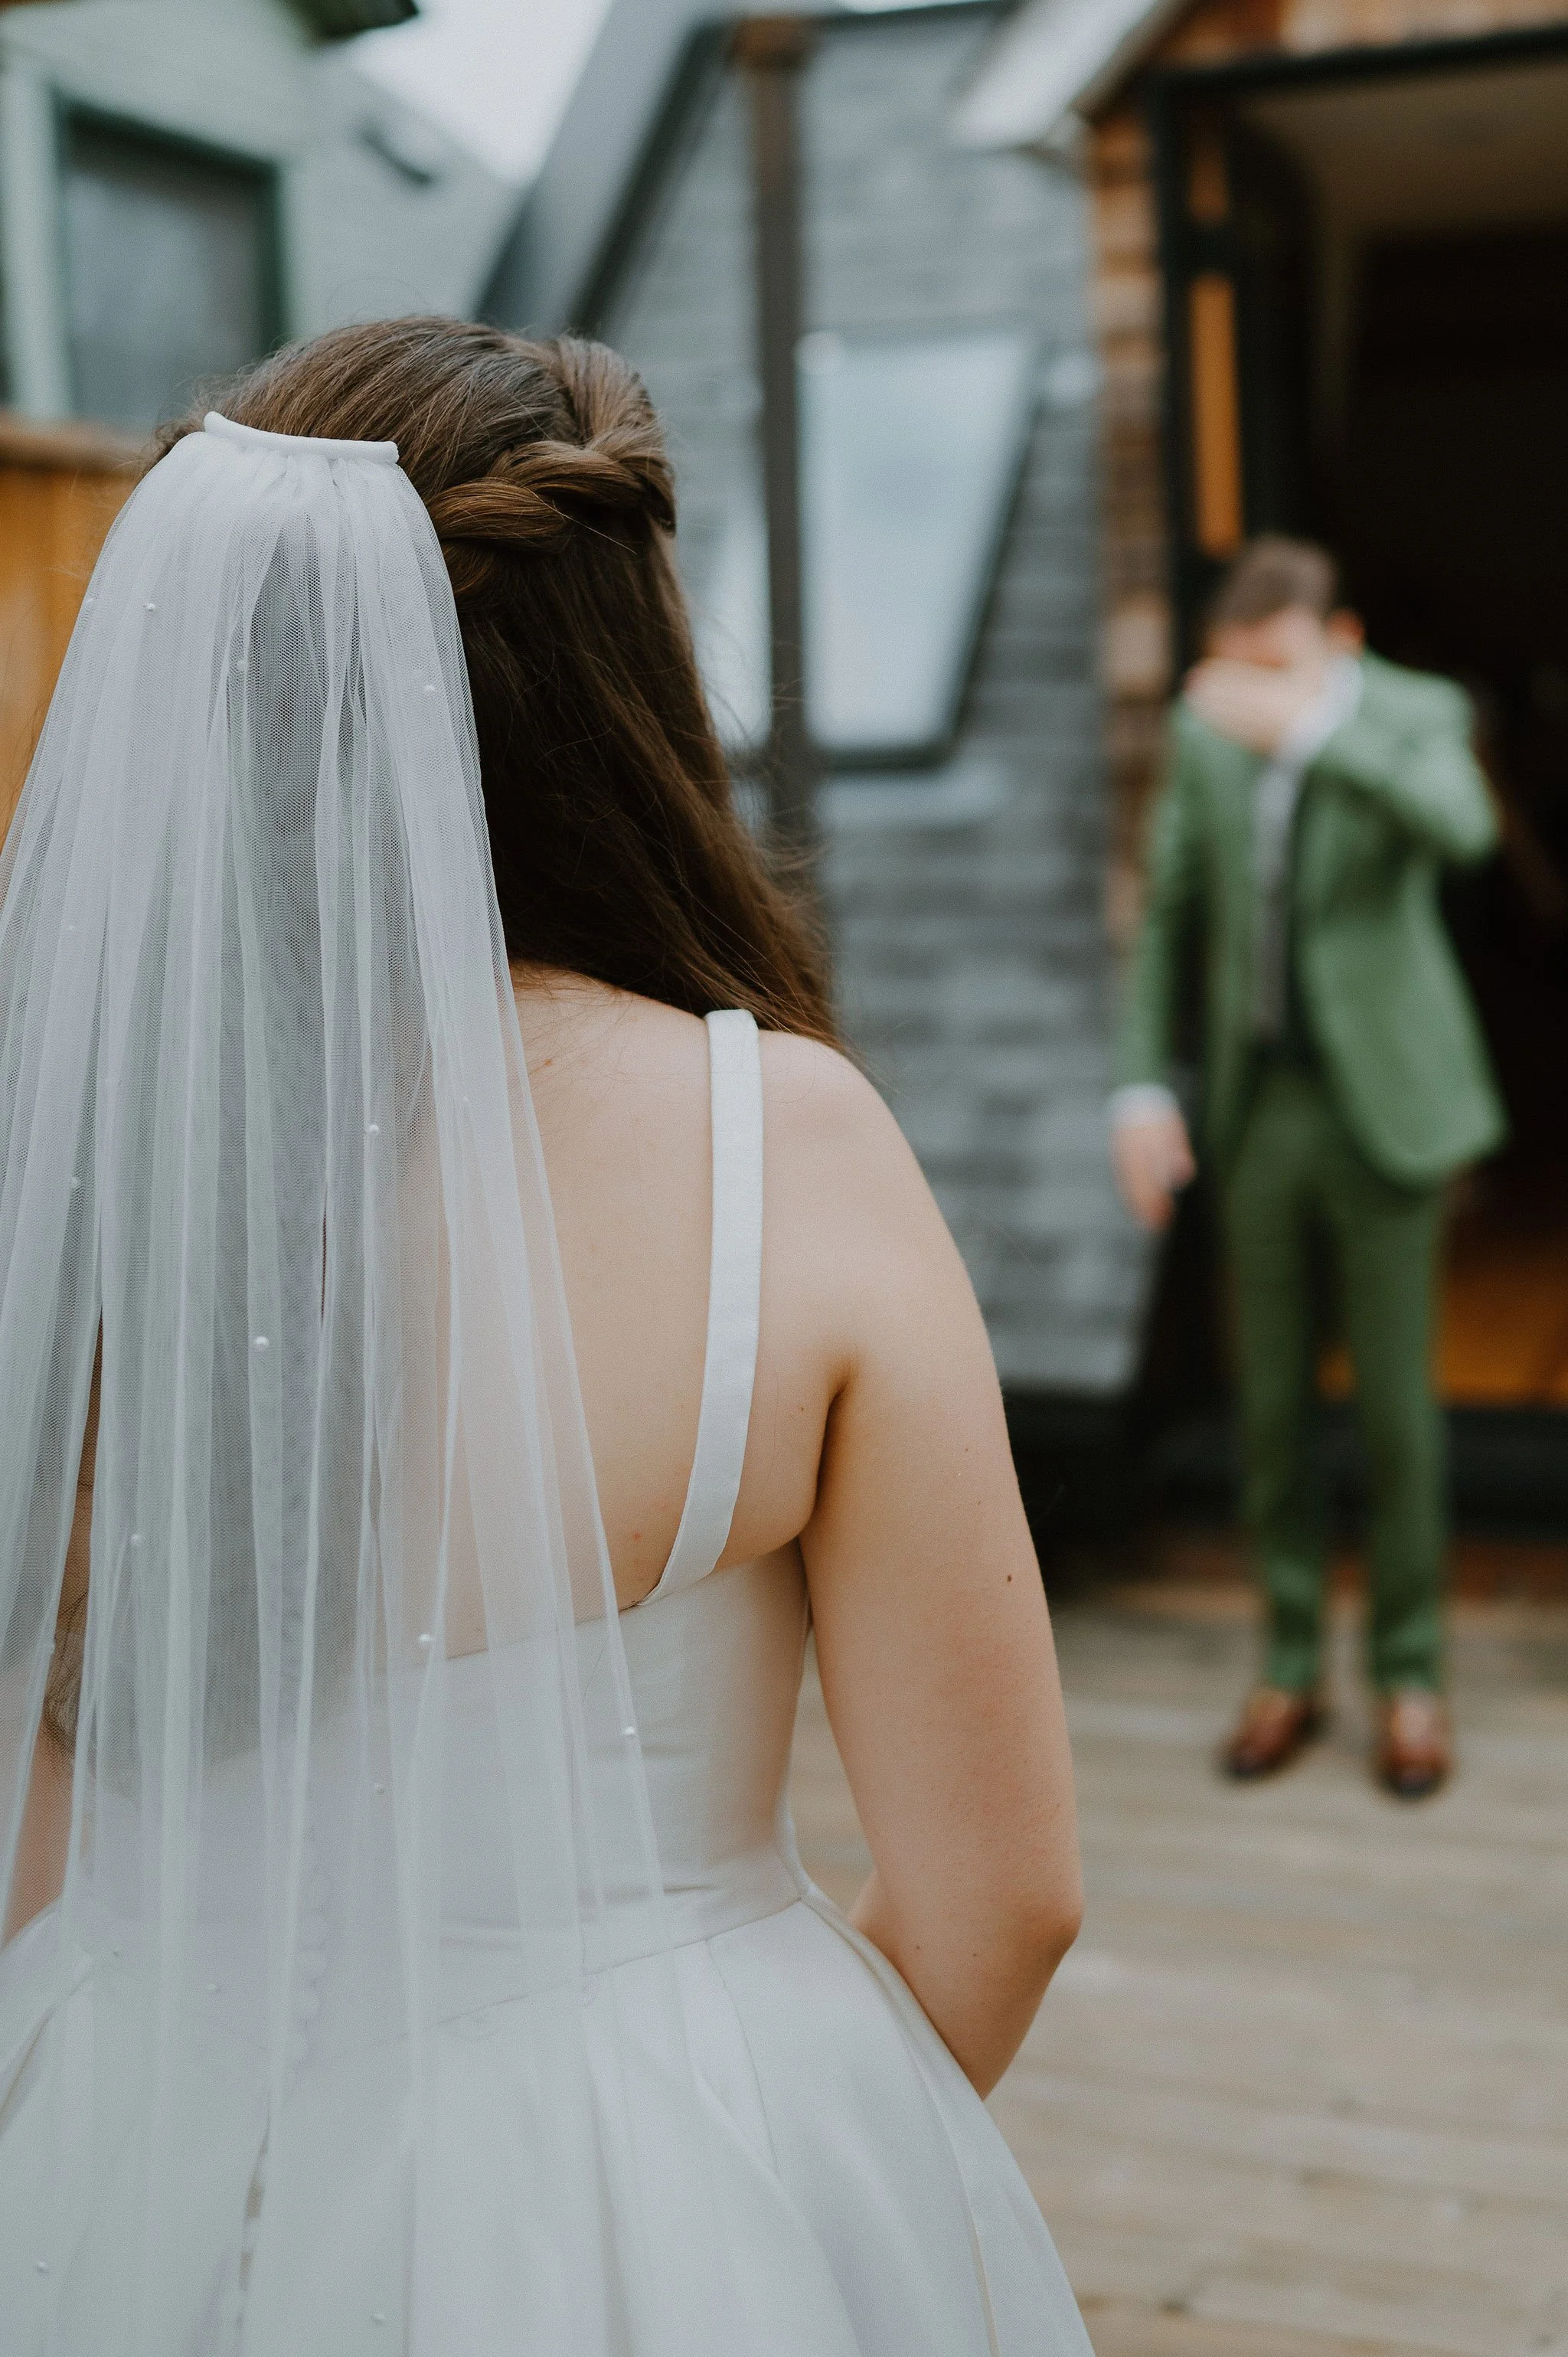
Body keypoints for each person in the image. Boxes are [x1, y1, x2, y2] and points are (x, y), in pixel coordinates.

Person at [0, 322, 1091, 2355]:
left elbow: (37, 1815)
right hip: (648, 2170)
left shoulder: (69, 1158)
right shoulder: (779, 1145)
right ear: (628, 674)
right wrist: (770, 2181)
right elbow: (1000, 1897)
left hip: (118, 2150)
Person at [1112, 537, 1504, 1800]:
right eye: (1239, 671)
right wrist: (1140, 1087)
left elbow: (1464, 827)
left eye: (1276, 668)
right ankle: (1288, 1663)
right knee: (1272, 1412)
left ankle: (1410, 1675)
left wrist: (1315, 730)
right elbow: (1172, 909)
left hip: (1388, 1104)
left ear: (1339, 642)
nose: (1251, 695)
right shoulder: (1208, 734)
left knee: (1395, 1414)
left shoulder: (1411, 712)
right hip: (1261, 1106)